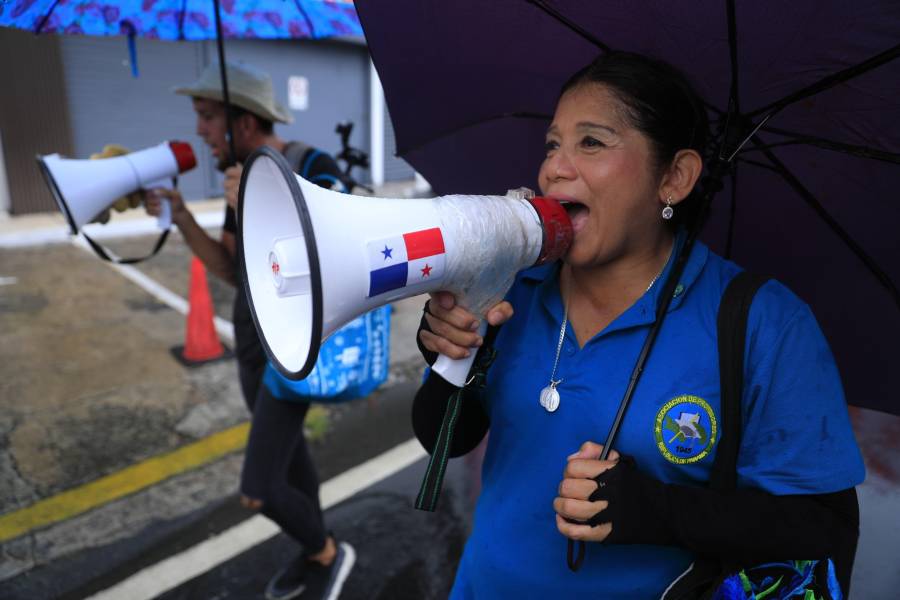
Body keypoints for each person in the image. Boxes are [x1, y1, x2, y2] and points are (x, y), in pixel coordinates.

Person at [413, 52, 865, 599]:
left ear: (674, 178)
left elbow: (824, 528)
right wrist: (449, 356)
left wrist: (656, 509)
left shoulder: (763, 322)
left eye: (593, 142)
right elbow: (444, 438)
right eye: (553, 144)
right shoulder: (512, 286)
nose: (555, 168)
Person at [144, 61, 354, 600]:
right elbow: (231, 268)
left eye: (208, 116)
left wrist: (270, 210)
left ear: (244, 122)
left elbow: (349, 255)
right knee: (292, 463)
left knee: (259, 489)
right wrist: (185, 216)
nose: (199, 131)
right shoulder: (245, 177)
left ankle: (329, 551)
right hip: (251, 348)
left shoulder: (311, 165)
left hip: (291, 351)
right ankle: (314, 550)